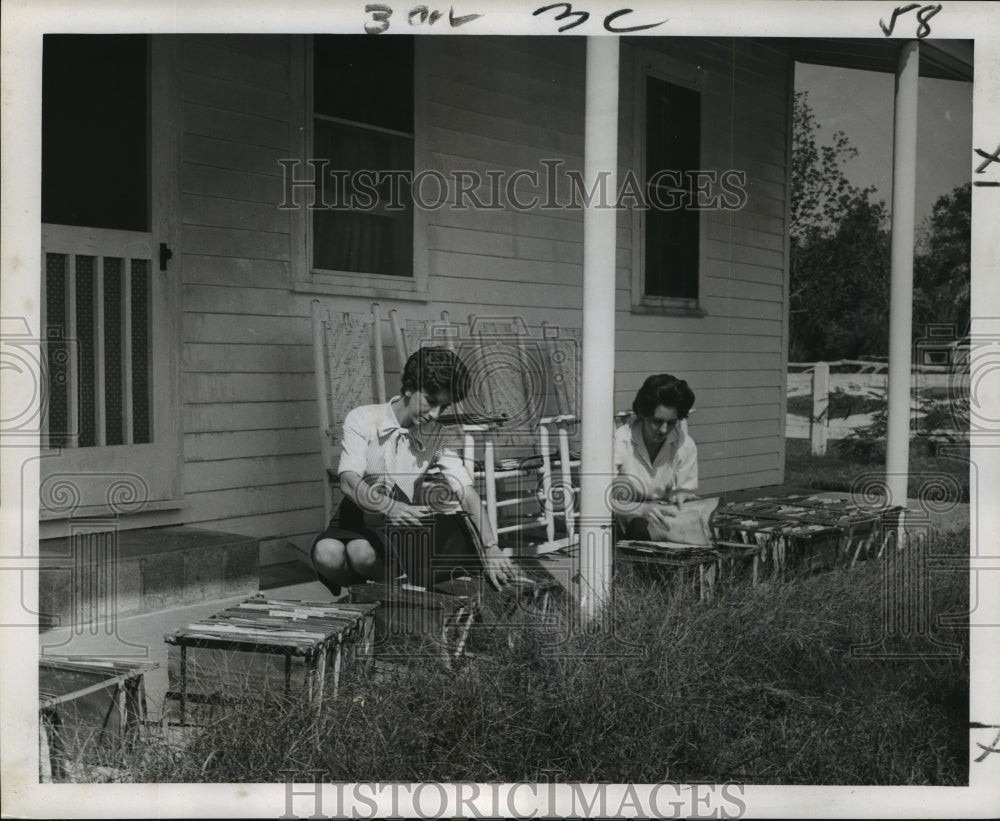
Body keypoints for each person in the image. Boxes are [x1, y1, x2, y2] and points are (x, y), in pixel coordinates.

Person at [311, 346, 518, 595]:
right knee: (327, 554)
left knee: (360, 553)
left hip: (399, 527)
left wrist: (491, 546)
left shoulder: (436, 436)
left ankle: (388, 596)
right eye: (431, 402)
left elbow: (467, 493)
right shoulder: (363, 418)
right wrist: (389, 506)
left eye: (444, 407)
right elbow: (347, 480)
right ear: (409, 388)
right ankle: (377, 592)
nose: (435, 414)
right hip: (357, 515)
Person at [611, 373, 712, 543]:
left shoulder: (684, 444)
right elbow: (599, 497)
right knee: (639, 529)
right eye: (657, 421)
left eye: (671, 423)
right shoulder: (619, 441)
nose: (664, 430)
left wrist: (682, 495)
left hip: (665, 520)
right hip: (621, 519)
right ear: (643, 414)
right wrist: (641, 509)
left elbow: (683, 490)